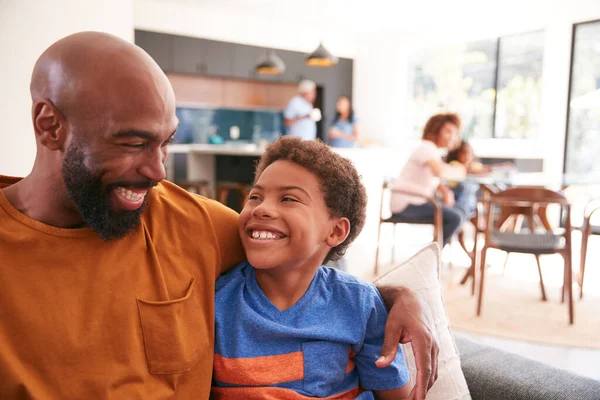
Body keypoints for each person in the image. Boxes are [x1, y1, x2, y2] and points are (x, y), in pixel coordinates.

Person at [0, 32, 438, 399]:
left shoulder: (194, 225)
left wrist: (402, 298)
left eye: (165, 142)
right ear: (50, 125)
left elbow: (307, 267)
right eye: (133, 143)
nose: (158, 172)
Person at [212, 138, 411, 399]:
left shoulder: (359, 303)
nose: (261, 209)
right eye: (255, 196)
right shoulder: (215, 304)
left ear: (335, 231)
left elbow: (398, 396)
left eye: (288, 199)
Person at [390, 113, 466, 246]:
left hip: (415, 201)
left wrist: (445, 190)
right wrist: (461, 171)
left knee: (459, 213)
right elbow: (439, 171)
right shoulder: (426, 147)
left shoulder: (433, 151)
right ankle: (431, 257)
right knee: (456, 217)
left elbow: (431, 179)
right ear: (436, 131)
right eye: (448, 132)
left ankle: (431, 254)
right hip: (407, 204)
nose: (452, 137)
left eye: (454, 133)